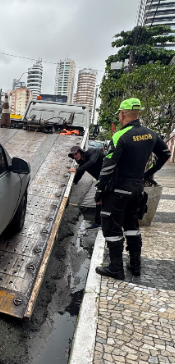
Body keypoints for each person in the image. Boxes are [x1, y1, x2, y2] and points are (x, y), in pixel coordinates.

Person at [95, 98, 171, 280]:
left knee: (112, 228)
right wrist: (147, 173)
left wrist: (99, 190)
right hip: (137, 189)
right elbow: (166, 154)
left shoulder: (121, 136)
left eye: (120, 115)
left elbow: (108, 166)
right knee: (132, 226)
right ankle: (135, 265)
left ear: (122, 114)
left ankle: (115, 268)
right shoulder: (150, 134)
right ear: (139, 114)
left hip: (119, 190)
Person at [68, 145, 104, 229]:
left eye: (76, 153)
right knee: (99, 200)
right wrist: (72, 183)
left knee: (101, 199)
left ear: (81, 151)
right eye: (73, 155)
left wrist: (76, 170)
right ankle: (99, 222)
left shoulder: (93, 152)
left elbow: (92, 162)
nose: (75, 156)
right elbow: (79, 174)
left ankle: (100, 223)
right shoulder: (83, 163)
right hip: (102, 180)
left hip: (111, 177)